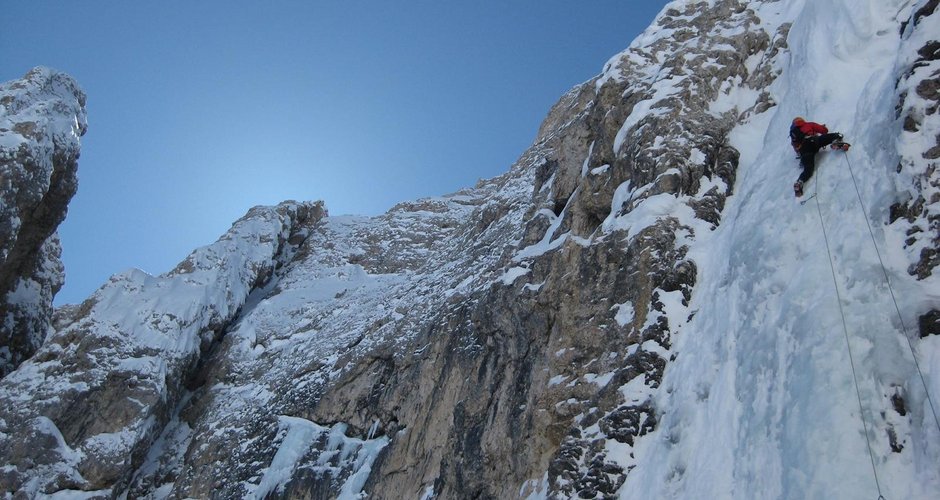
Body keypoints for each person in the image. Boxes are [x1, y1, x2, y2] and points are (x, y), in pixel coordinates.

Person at [789, 117, 849, 197]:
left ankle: (800, 182)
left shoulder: (794, 134)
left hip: (804, 150)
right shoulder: (808, 124)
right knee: (836, 135)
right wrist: (821, 128)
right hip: (814, 141)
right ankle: (836, 141)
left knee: (808, 169)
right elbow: (824, 130)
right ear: (802, 121)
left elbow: (796, 149)